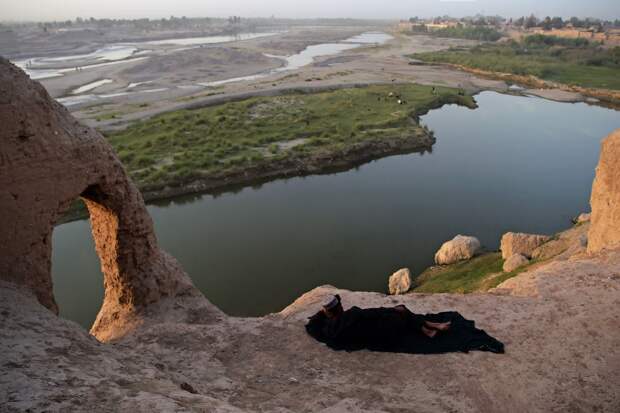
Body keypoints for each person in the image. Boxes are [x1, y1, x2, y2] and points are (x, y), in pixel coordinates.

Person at [306, 294, 505, 354]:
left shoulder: (326, 331)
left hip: (373, 337)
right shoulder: (353, 314)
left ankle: (429, 327)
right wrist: (392, 310)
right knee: (400, 311)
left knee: (397, 316)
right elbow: (374, 312)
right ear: (339, 307)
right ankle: (429, 328)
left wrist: (323, 315)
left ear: (327, 312)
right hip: (384, 333)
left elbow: (311, 326)